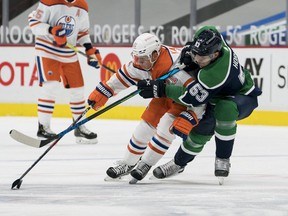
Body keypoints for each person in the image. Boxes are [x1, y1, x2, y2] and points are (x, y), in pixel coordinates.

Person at [137, 26, 262, 180]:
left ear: (215, 54)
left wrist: (162, 89)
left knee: (225, 109)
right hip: (215, 96)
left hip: (242, 96)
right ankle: (178, 164)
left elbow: (190, 98)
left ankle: (223, 158)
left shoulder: (215, 74)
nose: (197, 59)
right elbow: (205, 33)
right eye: (197, 54)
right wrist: (190, 50)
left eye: (202, 57)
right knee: (198, 135)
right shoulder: (213, 37)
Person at [87, 32, 205, 182]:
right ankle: (128, 163)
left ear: (155, 55)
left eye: (142, 59)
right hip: (162, 95)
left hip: (182, 100)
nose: (137, 62)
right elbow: (122, 77)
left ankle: (146, 164)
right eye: (135, 57)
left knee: (165, 129)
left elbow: (198, 94)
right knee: (145, 127)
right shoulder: (142, 62)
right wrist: (103, 92)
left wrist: (193, 115)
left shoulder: (175, 65)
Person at [28, 0, 101, 144]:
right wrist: (51, 30)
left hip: (68, 52)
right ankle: (43, 128)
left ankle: (79, 126)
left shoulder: (82, 5)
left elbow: (82, 33)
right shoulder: (49, 1)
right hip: (47, 49)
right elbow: (33, 22)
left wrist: (89, 49)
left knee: (78, 89)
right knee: (51, 86)